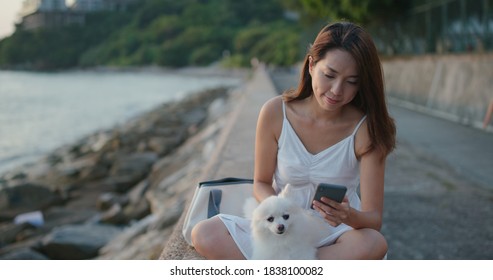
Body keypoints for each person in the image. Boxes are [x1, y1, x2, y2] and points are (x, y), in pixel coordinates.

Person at [191, 22, 396, 260]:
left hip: (332, 235)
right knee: (205, 234)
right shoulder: (275, 112)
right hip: (280, 227)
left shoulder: (367, 129)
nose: (337, 90)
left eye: (352, 81)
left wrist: (347, 215)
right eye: (329, 75)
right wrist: (279, 213)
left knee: (374, 243)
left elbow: (373, 218)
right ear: (311, 65)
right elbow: (261, 182)